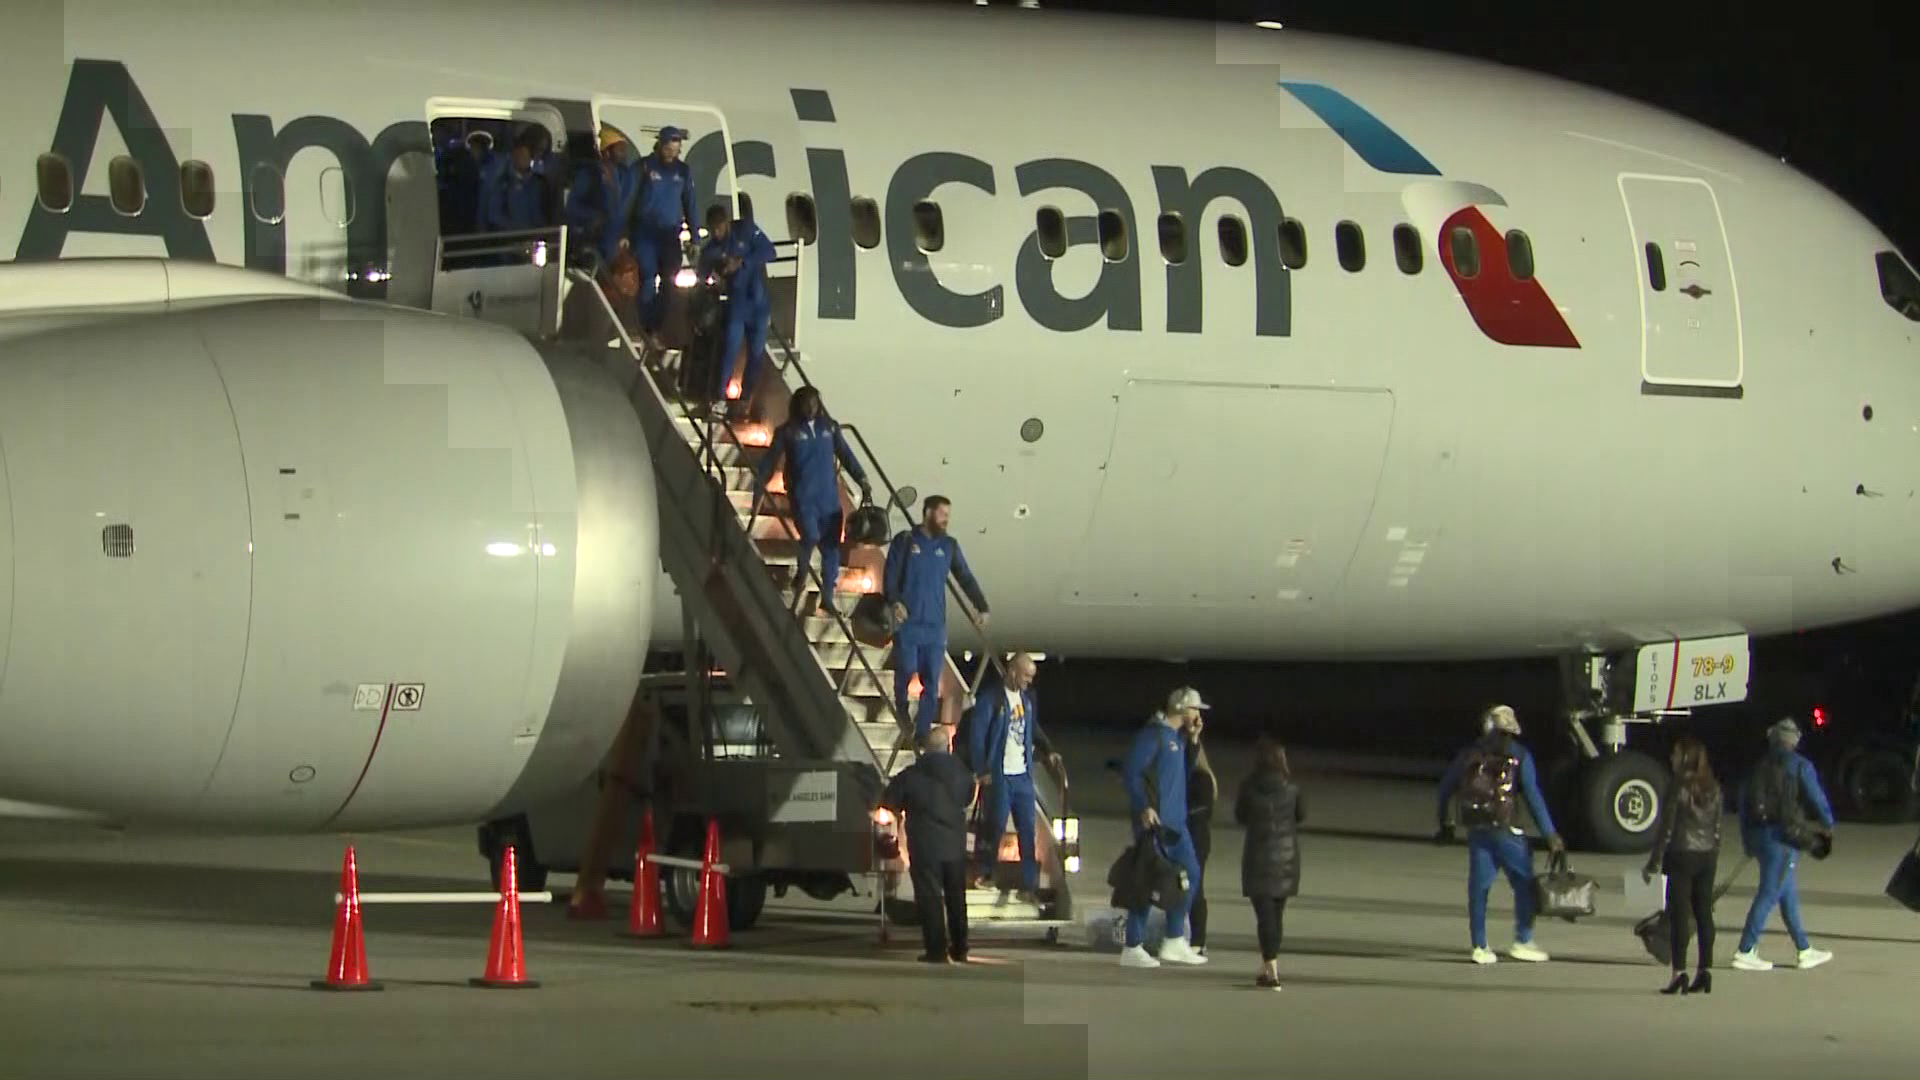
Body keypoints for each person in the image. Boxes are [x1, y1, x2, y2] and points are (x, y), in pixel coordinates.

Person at [1435, 704, 1564, 964]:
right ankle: (1523, 940)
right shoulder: (1520, 756)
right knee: (1524, 885)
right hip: (1508, 832)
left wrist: (1445, 824)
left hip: (1478, 830)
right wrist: (1550, 833)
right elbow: (1533, 796)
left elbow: (1445, 790)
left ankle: (1480, 946)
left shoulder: (1468, 755)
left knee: (1479, 889)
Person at [751, 385, 871, 613]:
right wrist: (760, 481)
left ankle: (827, 596)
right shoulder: (787, 432)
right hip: (803, 496)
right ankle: (803, 570)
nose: (811, 408)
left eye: (814, 403)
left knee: (832, 549)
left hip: (828, 498)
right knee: (810, 535)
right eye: (806, 403)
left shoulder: (830, 428)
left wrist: (862, 479)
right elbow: (770, 459)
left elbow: (846, 455)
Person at [1731, 718, 1836, 972]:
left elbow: (1743, 805)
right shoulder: (1799, 765)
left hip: (1758, 836)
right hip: (1783, 839)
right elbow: (1816, 797)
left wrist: (1748, 841)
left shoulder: (1759, 766)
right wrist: (1827, 822)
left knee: (1787, 894)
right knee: (1769, 893)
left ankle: (1804, 949)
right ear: (1794, 741)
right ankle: (1746, 949)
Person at [1117, 687, 1211, 968]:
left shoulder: (1175, 738)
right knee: (1148, 881)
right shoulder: (1154, 735)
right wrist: (1143, 806)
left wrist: (1193, 741)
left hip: (1176, 824)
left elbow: (1182, 772)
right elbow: (1131, 771)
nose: (1198, 715)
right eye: (1195, 709)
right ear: (1183, 709)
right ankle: (1132, 945)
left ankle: (1173, 939)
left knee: (1190, 875)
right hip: (1155, 824)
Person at [884, 496, 989, 739]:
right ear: (928, 513)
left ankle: (921, 733)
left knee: (931, 682)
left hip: (934, 627)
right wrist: (894, 600)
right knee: (907, 669)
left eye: (948, 515)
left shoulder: (949, 546)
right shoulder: (905, 540)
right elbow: (890, 576)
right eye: (942, 514)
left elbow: (965, 577)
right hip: (908, 624)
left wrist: (981, 606)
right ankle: (901, 705)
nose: (946, 519)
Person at [965, 653, 1062, 901]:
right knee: (994, 826)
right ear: (1013, 672)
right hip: (999, 776)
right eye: (1026, 676)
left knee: (1027, 831)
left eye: (1031, 677)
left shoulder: (1028, 699)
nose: (1029, 682)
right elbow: (977, 736)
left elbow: (1033, 727)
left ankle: (1029, 884)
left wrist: (1048, 749)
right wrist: (982, 770)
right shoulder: (991, 699)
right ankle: (986, 874)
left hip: (1023, 776)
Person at [880, 725, 975, 965]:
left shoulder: (911, 774)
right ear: (948, 747)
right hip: (954, 846)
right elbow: (968, 797)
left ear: (924, 750)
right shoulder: (962, 773)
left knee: (930, 898)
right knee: (956, 897)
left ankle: (936, 951)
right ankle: (960, 948)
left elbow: (889, 802)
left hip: (925, 847)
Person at [1642, 736, 1723, 995]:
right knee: (1703, 914)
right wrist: (1713, 855)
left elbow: (1666, 829)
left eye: (1676, 754)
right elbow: (1718, 828)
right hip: (1707, 855)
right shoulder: (1713, 787)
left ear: (1686, 758)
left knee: (1678, 916)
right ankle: (1706, 971)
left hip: (1681, 855)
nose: (1672, 758)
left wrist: (1653, 863)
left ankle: (1679, 973)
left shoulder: (1677, 786)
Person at [1235, 736, 1303, 991]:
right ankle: (1269, 966)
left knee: (1264, 916)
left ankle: (1270, 968)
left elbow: (1241, 816)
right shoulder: (1292, 787)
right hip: (1286, 858)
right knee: (1276, 914)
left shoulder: (1248, 786)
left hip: (1258, 856)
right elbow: (1301, 815)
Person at [698, 203, 779, 417]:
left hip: (759, 302)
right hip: (737, 303)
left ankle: (745, 398)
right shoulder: (711, 250)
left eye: (720, 227)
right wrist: (713, 279)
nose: (717, 233)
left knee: (756, 353)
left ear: (727, 223)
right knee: (730, 349)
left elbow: (770, 251)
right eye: (713, 229)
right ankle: (720, 397)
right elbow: (702, 273)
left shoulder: (746, 230)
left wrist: (742, 262)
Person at [631, 125, 699, 337]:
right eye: (668, 149)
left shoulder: (683, 171)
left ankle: (657, 325)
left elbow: (691, 204)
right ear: (660, 146)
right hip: (646, 232)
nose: (672, 154)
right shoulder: (644, 167)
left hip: (669, 234)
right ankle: (646, 326)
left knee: (670, 281)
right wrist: (624, 232)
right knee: (648, 278)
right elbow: (628, 200)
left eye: (675, 150)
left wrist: (695, 237)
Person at [565, 124, 639, 269]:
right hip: (594, 240)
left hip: (616, 240)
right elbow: (572, 208)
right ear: (607, 152)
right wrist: (593, 217)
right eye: (620, 149)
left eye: (624, 149)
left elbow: (626, 208)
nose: (625, 153)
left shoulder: (626, 176)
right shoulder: (589, 175)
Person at [1183, 708, 1219, 957]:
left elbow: (1200, 810)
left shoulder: (1202, 778)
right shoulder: (1202, 778)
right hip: (1197, 835)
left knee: (1194, 888)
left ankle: (1197, 939)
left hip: (1195, 836)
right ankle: (1191, 936)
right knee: (1191, 887)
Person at [479, 126, 551, 234]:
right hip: (506, 239)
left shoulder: (536, 183)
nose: (524, 158)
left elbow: (537, 213)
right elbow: (493, 215)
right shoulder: (501, 179)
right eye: (520, 154)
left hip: (531, 238)